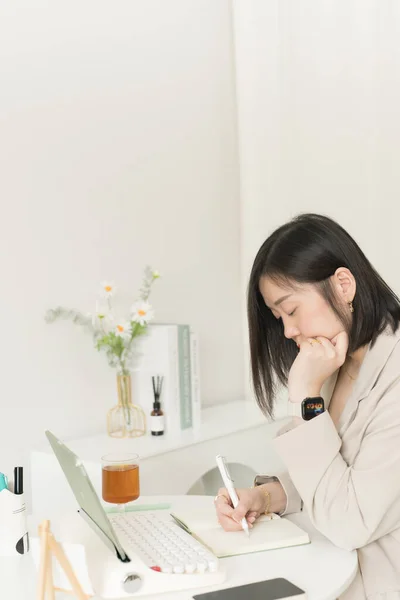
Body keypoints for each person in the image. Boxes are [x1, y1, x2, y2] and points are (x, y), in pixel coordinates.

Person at [214, 213, 400, 599]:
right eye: (278, 317)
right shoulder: (337, 360)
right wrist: (264, 498)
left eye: (292, 310)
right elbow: (331, 472)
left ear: (343, 285)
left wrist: (304, 395)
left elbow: (350, 521)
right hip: (331, 566)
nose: (287, 331)